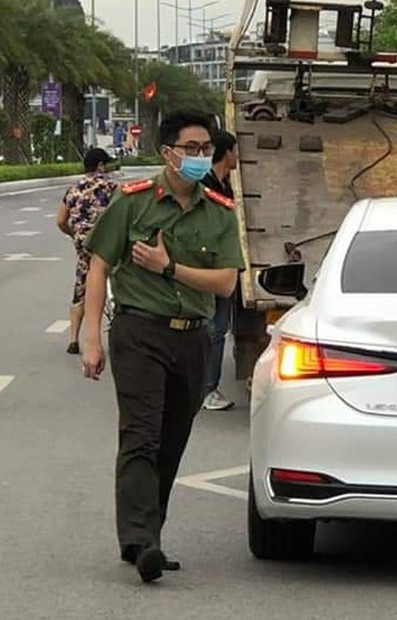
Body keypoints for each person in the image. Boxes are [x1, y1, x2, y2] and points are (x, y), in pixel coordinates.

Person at [80, 111, 245, 583]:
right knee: (142, 435)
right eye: (191, 148)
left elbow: (226, 283)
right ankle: (140, 541)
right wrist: (91, 336)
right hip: (139, 333)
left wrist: (169, 267)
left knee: (171, 441)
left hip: (193, 336)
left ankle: (151, 532)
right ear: (167, 152)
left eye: (206, 149)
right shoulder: (132, 203)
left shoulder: (218, 211)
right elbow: (99, 265)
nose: (200, 157)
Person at [56, 147, 118, 354]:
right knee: (119, 281)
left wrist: (74, 234)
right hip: (108, 243)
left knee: (80, 288)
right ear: (100, 165)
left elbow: (61, 220)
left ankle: (74, 339)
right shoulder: (112, 187)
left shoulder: (73, 189)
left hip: (84, 245)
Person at [201, 129, 238, 411]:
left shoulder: (226, 184)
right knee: (214, 330)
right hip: (209, 268)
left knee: (218, 329)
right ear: (226, 153)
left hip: (226, 265)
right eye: (235, 151)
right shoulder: (206, 185)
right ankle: (207, 390)